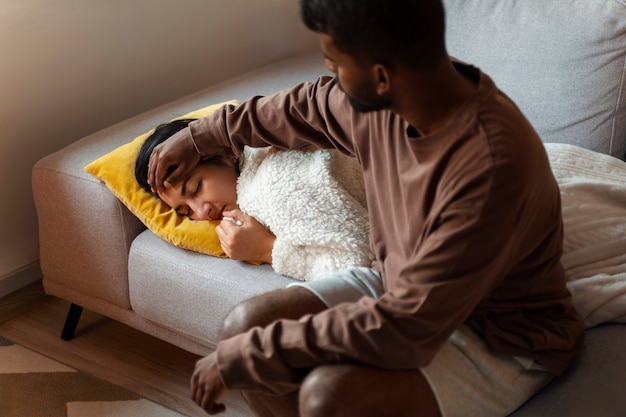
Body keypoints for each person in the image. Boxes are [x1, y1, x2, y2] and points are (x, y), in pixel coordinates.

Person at [148, 1, 586, 416]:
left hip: (502, 335)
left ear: (380, 75)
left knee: (325, 394)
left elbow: (410, 327)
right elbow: (302, 107)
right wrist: (201, 136)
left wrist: (256, 353)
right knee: (242, 326)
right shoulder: (384, 101)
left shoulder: (488, 169)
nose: (329, 73)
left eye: (336, 64)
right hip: (401, 286)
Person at [135, 118, 373, 281]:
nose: (202, 212)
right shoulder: (257, 157)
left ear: (227, 153)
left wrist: (267, 250)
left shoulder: (274, 187)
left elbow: (357, 269)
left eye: (197, 188)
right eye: (186, 212)